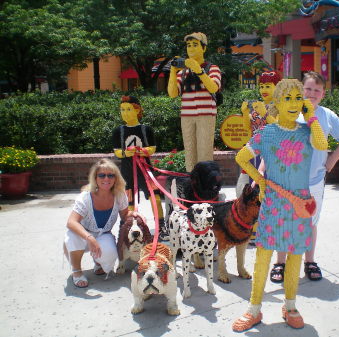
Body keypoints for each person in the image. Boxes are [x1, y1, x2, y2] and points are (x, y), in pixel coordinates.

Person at [232, 78, 328, 331]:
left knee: (296, 254)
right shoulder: (266, 133)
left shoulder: (308, 132)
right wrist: (260, 182)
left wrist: (312, 117)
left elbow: (322, 145)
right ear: (276, 102)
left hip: (300, 204)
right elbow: (241, 157)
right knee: (263, 255)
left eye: (299, 98)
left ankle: (290, 304)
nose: (294, 103)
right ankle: (254, 308)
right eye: (288, 98)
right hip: (274, 204)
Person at [270, 71, 339, 283]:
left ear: (323, 94)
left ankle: (310, 261)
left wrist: (332, 160)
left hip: (314, 181)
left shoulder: (327, 115)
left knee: (310, 222)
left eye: (317, 90)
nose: (312, 93)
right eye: (308, 88)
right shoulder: (290, 112)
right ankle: (280, 262)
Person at [63, 159, 131, 288]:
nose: (106, 178)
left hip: (103, 234)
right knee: (72, 237)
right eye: (101, 175)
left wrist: (134, 215)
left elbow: (125, 215)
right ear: (95, 178)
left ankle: (98, 262)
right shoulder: (85, 197)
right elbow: (71, 222)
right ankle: (76, 271)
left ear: (116, 178)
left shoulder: (120, 195)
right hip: (82, 234)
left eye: (111, 175)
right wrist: (89, 238)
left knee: (110, 254)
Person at [111, 96, 167, 241]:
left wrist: (143, 151)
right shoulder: (119, 131)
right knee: (128, 202)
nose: (125, 113)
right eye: (122, 110)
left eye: (128, 109)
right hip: (127, 171)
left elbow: (153, 148)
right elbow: (117, 151)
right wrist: (125, 153)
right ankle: (127, 227)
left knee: (155, 198)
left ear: (137, 110)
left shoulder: (146, 129)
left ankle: (161, 227)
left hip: (146, 170)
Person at [167, 32, 221, 172]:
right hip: (187, 116)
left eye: (195, 45)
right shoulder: (182, 72)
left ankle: (206, 184)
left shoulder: (212, 68)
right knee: (190, 152)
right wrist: (173, 71)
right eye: (188, 45)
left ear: (204, 48)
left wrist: (200, 71)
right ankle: (192, 183)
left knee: (204, 152)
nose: (190, 48)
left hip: (206, 115)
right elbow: (172, 93)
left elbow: (214, 87)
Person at [236, 71, 281, 197]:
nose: (263, 90)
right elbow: (247, 127)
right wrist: (245, 113)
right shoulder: (258, 105)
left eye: (268, 86)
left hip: (272, 153)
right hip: (255, 151)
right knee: (255, 187)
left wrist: (265, 113)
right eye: (261, 86)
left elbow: (279, 127)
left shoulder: (280, 106)